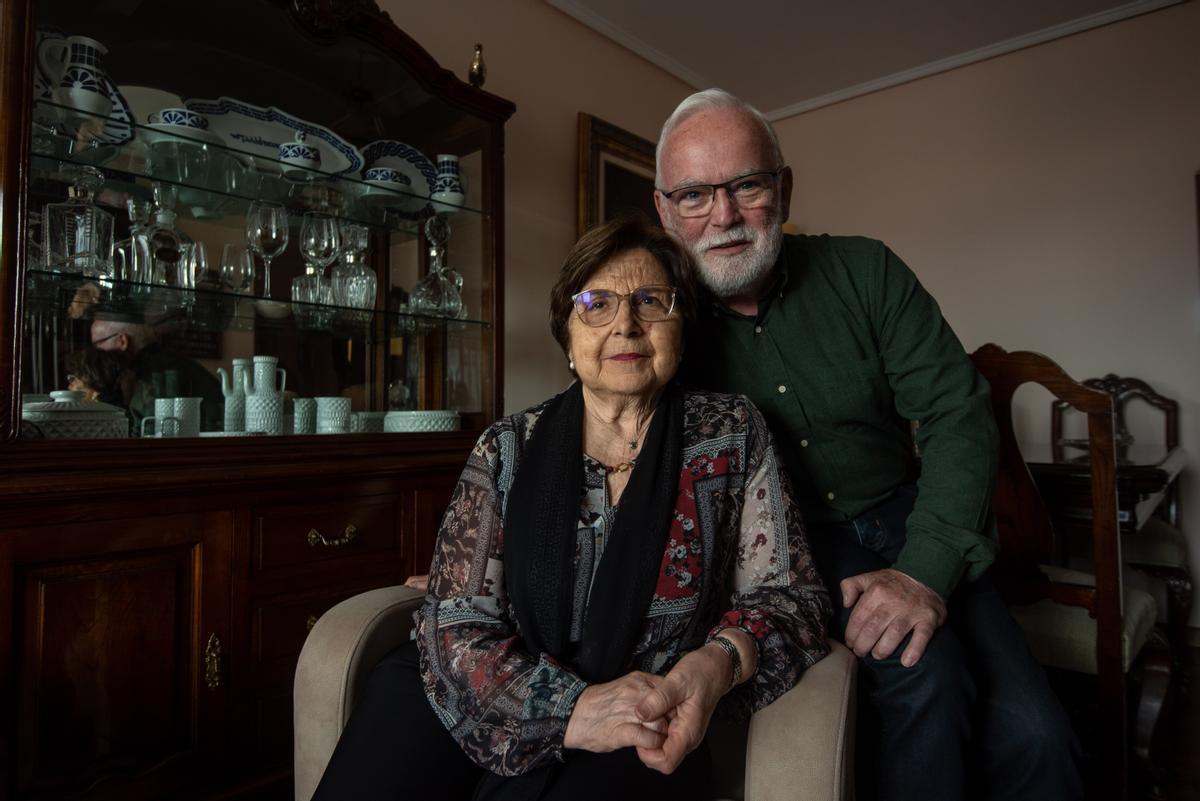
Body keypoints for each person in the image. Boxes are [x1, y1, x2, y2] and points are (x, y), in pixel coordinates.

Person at [653, 88, 1081, 801]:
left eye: (747, 185)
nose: (722, 216)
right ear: (665, 209)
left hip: (915, 514)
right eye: (694, 195)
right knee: (926, 675)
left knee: (1038, 736)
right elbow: (600, 423)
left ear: (783, 188)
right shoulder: (659, 315)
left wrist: (925, 569)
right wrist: (498, 541)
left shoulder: (867, 270)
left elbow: (957, 409)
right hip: (796, 547)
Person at [313, 216, 831, 801]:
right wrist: (573, 708)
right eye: (597, 303)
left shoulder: (733, 434)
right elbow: (455, 622)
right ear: (567, 333)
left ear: (682, 328)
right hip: (490, 687)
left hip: (647, 710)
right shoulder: (506, 447)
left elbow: (792, 598)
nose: (626, 325)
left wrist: (717, 663)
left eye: (650, 301)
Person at [90, 318, 223, 430]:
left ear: (122, 341)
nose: (94, 353)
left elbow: (145, 433)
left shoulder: (150, 374)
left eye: (97, 345)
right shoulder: (169, 360)